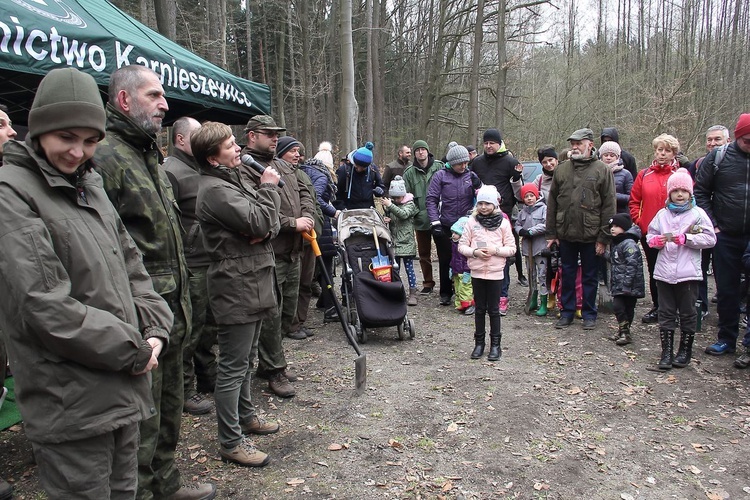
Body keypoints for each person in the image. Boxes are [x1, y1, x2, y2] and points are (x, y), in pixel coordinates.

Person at [0, 67, 173, 499]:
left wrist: (155, 328)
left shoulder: (89, 185)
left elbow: (133, 266)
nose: (79, 152)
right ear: (39, 130)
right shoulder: (11, 192)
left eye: (91, 140)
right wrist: (133, 350)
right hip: (70, 401)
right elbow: (44, 304)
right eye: (66, 138)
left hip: (123, 386)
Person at [93, 65, 213, 500]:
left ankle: (165, 483)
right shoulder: (104, 157)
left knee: (168, 412)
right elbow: (102, 250)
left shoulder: (148, 157)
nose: (165, 104)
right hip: (139, 318)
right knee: (140, 419)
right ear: (125, 101)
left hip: (172, 310)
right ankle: (141, 491)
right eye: (154, 95)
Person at [191, 121, 282, 467]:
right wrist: (269, 190)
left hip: (253, 279)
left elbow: (267, 226)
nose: (238, 149)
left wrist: (262, 221)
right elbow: (260, 223)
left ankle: (246, 418)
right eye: (230, 145)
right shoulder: (215, 190)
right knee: (232, 366)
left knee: (245, 362)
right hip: (236, 286)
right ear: (213, 158)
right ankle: (230, 441)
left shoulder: (230, 181)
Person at [241, 119, 314, 397]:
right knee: (269, 313)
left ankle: (269, 362)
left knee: (286, 312)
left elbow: (305, 192)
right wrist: (291, 223)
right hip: (268, 251)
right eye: (269, 134)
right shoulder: (245, 167)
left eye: (276, 135)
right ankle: (274, 369)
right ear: (252, 136)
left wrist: (306, 216)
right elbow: (255, 211)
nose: (274, 139)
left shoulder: (283, 166)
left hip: (294, 250)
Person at [163, 117, 216, 416]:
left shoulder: (199, 167)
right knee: (189, 330)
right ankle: (186, 390)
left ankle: (209, 377)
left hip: (209, 259)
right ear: (182, 140)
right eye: (196, 135)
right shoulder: (171, 171)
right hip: (190, 264)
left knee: (209, 326)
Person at [546, 128, 616, 330]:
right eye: (573, 144)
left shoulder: (602, 169)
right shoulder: (562, 169)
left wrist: (603, 237)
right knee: (566, 274)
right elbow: (553, 203)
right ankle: (566, 312)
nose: (575, 147)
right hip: (565, 232)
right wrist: (551, 233)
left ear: (590, 145)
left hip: (591, 234)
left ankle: (589, 314)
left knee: (590, 276)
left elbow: (609, 206)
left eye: (579, 143)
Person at [646, 170, 716, 369]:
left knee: (687, 312)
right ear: (669, 193)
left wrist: (688, 239)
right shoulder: (662, 214)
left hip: (688, 273)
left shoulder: (698, 214)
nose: (679, 194)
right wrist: (656, 242)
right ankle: (666, 352)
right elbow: (651, 235)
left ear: (690, 193)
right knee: (666, 311)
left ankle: (685, 350)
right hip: (664, 272)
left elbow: (710, 239)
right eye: (675, 190)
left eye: (683, 191)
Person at [695, 113, 750, 359]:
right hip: (725, 234)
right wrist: (713, 225)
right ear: (738, 136)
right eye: (748, 140)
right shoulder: (718, 158)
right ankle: (726, 338)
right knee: (727, 290)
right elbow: (701, 192)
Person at [470, 128, 525, 314]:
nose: (488, 146)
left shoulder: (510, 162)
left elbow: (519, 191)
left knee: (503, 256)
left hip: (503, 215)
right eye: (485, 143)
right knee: (481, 254)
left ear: (499, 143)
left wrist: (517, 178)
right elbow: (471, 186)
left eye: (492, 143)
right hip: (479, 215)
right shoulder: (477, 162)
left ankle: (502, 296)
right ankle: (480, 297)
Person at [458, 185, 516, 361]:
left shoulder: (503, 223)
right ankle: (479, 343)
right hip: (477, 272)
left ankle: (496, 345)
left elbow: (512, 248)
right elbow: (462, 245)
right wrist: (474, 252)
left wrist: (496, 250)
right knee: (479, 310)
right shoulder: (471, 222)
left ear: (495, 204)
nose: (483, 207)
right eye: (480, 203)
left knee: (494, 310)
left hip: (495, 273)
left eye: (487, 203)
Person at [629, 134, 681, 325]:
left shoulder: (680, 175)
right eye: (660, 150)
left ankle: (673, 310)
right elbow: (634, 200)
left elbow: (690, 200)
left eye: (667, 150)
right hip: (650, 232)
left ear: (673, 153)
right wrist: (641, 222)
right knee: (654, 270)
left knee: (675, 271)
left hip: (674, 234)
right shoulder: (644, 175)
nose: (662, 154)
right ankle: (658, 307)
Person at [275, 136, 323, 341]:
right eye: (292, 151)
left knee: (305, 282)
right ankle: (286, 324)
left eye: (298, 151)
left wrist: (314, 220)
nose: (297, 155)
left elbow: (312, 201)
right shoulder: (273, 175)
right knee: (287, 287)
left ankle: (298, 323)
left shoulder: (302, 175)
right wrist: (297, 223)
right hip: (290, 240)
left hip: (310, 238)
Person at [427, 144, 482, 306]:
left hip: (466, 225)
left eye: (466, 163)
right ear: (451, 163)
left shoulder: (470, 175)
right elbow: (431, 199)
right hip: (445, 225)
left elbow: (483, 196)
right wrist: (435, 222)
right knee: (446, 259)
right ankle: (446, 292)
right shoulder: (440, 176)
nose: (463, 166)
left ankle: (468, 292)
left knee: (467, 259)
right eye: (460, 164)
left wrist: (479, 185)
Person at [688, 125, 730, 319]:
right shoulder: (697, 164)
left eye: (717, 140)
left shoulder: (734, 164)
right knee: (700, 267)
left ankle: (727, 308)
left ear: (727, 141)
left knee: (725, 272)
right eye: (710, 140)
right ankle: (700, 306)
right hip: (702, 223)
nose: (712, 143)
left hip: (727, 227)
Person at [300, 156, 339, 319]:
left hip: (308, 225)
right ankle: (330, 308)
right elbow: (316, 199)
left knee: (318, 269)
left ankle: (324, 301)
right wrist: (334, 212)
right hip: (319, 226)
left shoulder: (303, 170)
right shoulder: (321, 176)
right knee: (326, 267)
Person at [403, 140, 443, 295]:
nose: (421, 152)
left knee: (444, 253)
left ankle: (449, 283)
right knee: (424, 254)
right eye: (417, 150)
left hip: (440, 218)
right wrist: (415, 213)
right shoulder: (409, 173)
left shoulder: (439, 167)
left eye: (423, 149)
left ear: (428, 151)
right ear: (414, 153)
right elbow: (406, 198)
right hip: (420, 219)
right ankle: (428, 282)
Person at [606, 213, 645, 346]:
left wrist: (627, 284)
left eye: (616, 226)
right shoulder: (618, 243)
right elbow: (616, 261)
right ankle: (623, 330)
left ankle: (625, 332)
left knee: (625, 308)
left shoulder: (628, 244)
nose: (612, 229)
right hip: (619, 283)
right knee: (619, 307)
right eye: (611, 226)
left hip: (629, 285)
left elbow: (632, 265)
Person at [382, 175, 419, 306]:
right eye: (394, 198)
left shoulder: (410, 204)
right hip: (394, 242)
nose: (396, 200)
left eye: (398, 197)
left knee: (409, 269)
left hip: (406, 242)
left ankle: (413, 292)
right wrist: (387, 218)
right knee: (395, 269)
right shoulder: (393, 205)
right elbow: (394, 215)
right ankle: (397, 291)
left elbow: (403, 214)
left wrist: (390, 205)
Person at [515, 184, 549, 316]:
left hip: (540, 248)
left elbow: (546, 224)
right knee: (531, 274)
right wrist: (521, 231)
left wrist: (531, 231)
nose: (529, 199)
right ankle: (533, 298)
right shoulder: (522, 212)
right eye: (526, 196)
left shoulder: (543, 209)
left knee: (542, 274)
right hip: (527, 249)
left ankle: (544, 302)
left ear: (536, 196)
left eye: (531, 196)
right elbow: (517, 225)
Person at [334, 142, 384, 210]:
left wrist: (379, 190)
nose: (359, 168)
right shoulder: (343, 171)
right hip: (348, 211)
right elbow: (335, 192)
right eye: (357, 165)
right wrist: (341, 208)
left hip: (368, 211)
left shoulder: (373, 169)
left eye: (363, 167)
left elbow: (381, 185)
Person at [599, 141, 632, 214]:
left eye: (612, 155)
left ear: (617, 157)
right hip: (599, 214)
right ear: (601, 156)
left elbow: (631, 198)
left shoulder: (626, 174)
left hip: (620, 214)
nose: (608, 158)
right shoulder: (596, 172)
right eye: (606, 155)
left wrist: (613, 196)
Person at [450, 217, 474, 314]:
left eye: (456, 233)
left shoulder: (467, 246)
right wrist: (451, 267)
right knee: (458, 288)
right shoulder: (454, 244)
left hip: (465, 271)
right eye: (453, 233)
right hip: (457, 270)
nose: (453, 235)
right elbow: (453, 258)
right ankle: (460, 304)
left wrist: (468, 271)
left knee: (466, 288)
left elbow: (469, 260)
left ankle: (469, 304)